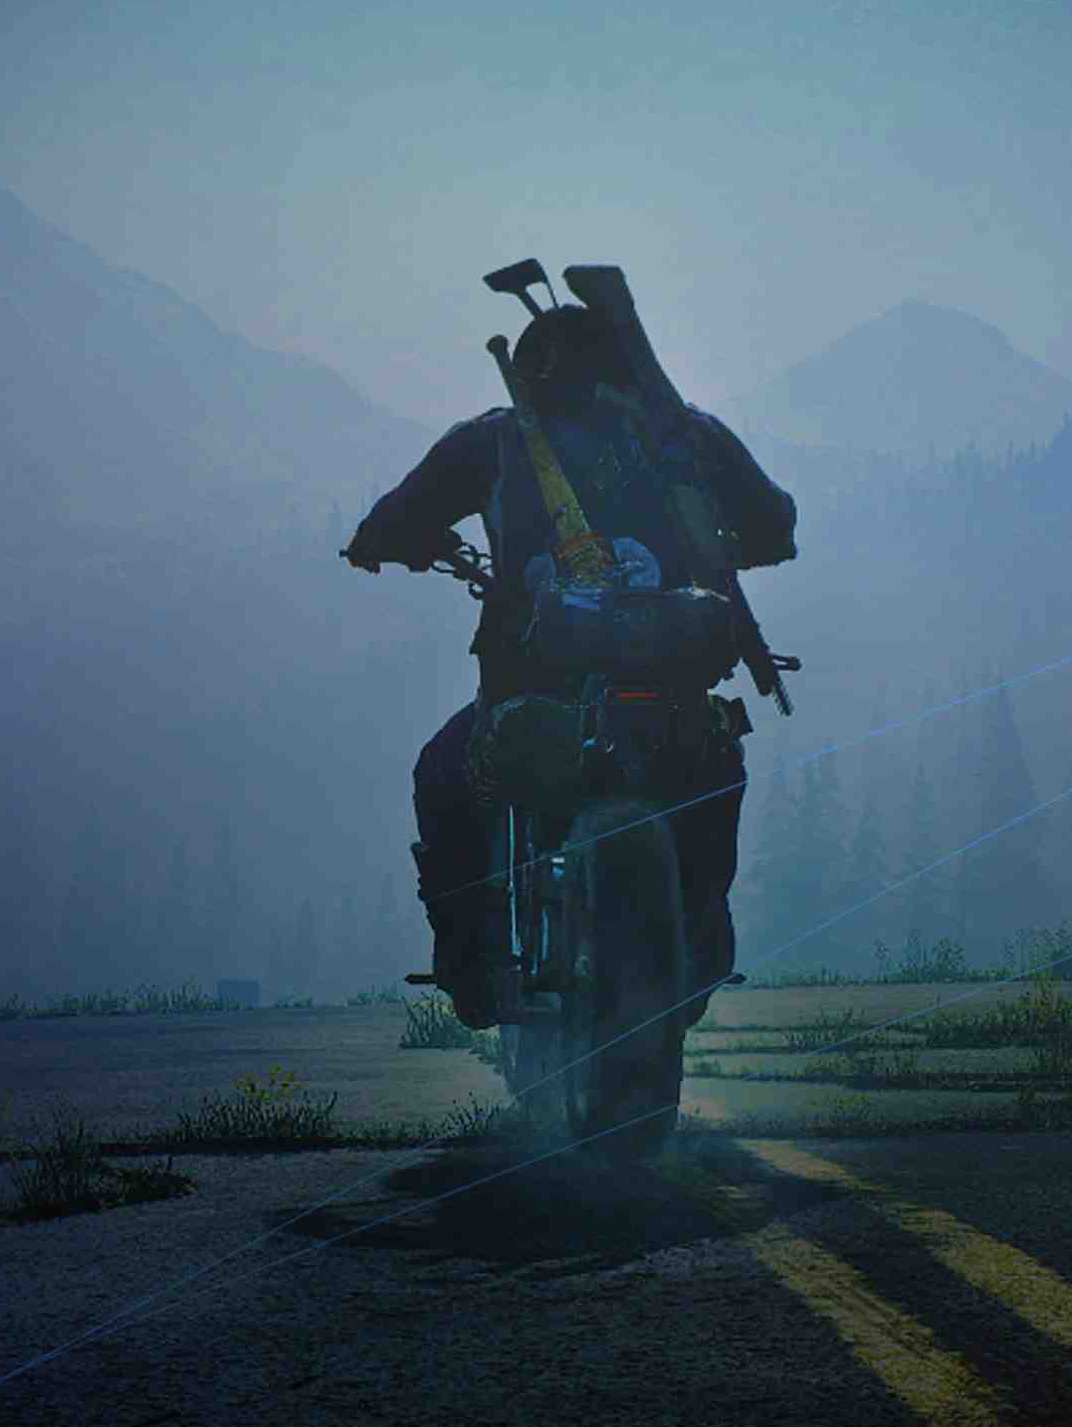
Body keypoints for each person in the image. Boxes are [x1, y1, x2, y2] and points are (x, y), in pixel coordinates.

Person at [341, 295, 797, 1028]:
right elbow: (775, 524)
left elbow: (392, 524)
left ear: (528, 370)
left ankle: (472, 962)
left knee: (443, 772)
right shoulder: (687, 434)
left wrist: (383, 545)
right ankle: (702, 942)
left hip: (533, 687)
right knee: (718, 765)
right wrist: (726, 549)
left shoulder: (493, 441)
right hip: (671, 691)